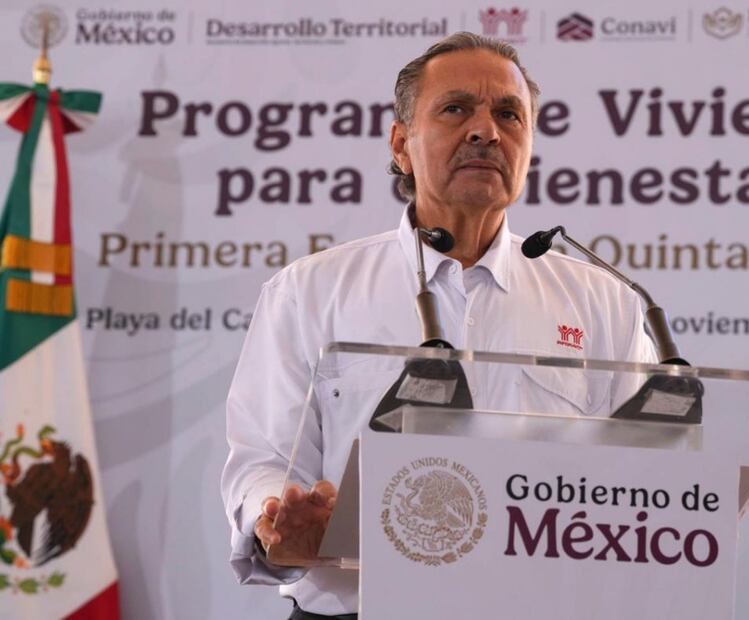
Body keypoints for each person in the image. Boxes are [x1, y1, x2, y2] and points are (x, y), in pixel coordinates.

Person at [221, 32, 657, 620]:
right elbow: (264, 456)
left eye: (509, 114)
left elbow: (650, 481)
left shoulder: (606, 303)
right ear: (401, 144)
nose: (485, 131)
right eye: (456, 109)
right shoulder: (310, 291)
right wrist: (278, 519)